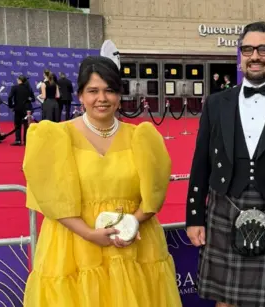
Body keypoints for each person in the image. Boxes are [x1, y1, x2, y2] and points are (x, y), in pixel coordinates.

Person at [22, 56, 183, 307]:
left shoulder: (141, 136)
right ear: (80, 94)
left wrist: (132, 223)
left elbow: (154, 193)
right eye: (93, 91)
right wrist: (89, 234)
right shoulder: (56, 136)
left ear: (119, 95)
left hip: (134, 243)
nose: (102, 98)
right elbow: (52, 199)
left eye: (110, 90)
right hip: (75, 246)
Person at [185, 21, 265, 307]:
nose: (255, 56)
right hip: (225, 205)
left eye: (263, 49)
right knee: (226, 298)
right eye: (248, 49)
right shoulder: (217, 102)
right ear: (239, 54)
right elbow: (201, 163)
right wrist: (195, 216)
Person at [8, 75, 35, 145]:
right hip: (27, 109)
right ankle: (26, 141)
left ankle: (18, 140)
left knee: (17, 125)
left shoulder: (15, 87)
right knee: (26, 125)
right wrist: (28, 99)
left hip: (18, 108)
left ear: (20, 80)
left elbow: (9, 97)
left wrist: (11, 105)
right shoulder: (29, 88)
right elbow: (33, 99)